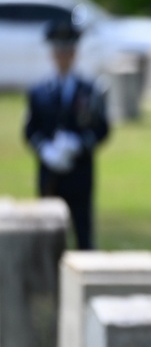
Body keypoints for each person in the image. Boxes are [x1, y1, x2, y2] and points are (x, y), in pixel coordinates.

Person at [24, 18, 110, 250]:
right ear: (53, 54)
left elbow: (102, 129)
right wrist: (45, 150)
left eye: (68, 50)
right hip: (50, 174)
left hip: (80, 174)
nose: (63, 56)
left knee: (83, 235)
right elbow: (30, 130)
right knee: (48, 239)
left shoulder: (89, 90)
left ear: (74, 53)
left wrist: (78, 144)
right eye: (59, 51)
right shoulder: (39, 91)